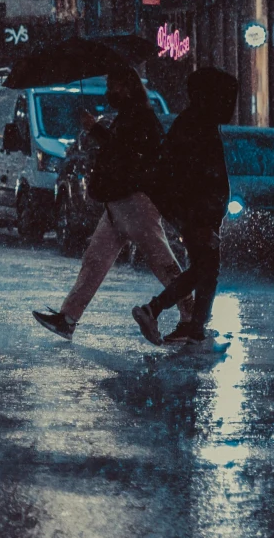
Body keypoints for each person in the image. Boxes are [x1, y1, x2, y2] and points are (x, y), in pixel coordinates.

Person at [34, 66, 183, 338]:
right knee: (94, 261)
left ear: (126, 87)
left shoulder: (141, 117)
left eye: (111, 86)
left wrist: (95, 129)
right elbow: (121, 149)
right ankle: (68, 318)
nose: (108, 93)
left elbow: (127, 152)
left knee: (161, 260)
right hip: (117, 204)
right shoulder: (129, 116)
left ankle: (192, 317)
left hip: (134, 202)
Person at [134, 67, 240, 343]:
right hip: (198, 215)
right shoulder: (196, 127)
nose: (229, 105)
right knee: (207, 270)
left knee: (203, 269)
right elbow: (191, 179)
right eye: (226, 98)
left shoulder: (197, 123)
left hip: (199, 214)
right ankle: (168, 316)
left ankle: (190, 325)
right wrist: (199, 220)